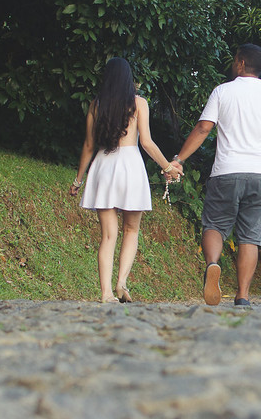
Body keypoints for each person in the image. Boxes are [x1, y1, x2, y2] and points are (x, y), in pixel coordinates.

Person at [171, 44, 261, 307]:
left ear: (240, 63)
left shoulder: (223, 91)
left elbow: (203, 128)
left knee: (214, 225)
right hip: (260, 174)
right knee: (250, 236)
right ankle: (243, 296)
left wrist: (179, 159)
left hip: (226, 171)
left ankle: (213, 264)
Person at [70, 58, 180, 303]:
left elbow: (89, 145)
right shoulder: (139, 103)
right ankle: (121, 283)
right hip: (130, 166)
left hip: (103, 166)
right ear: (130, 79)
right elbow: (147, 143)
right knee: (132, 230)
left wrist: (78, 181)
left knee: (109, 235)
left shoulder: (96, 105)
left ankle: (106, 293)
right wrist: (168, 167)